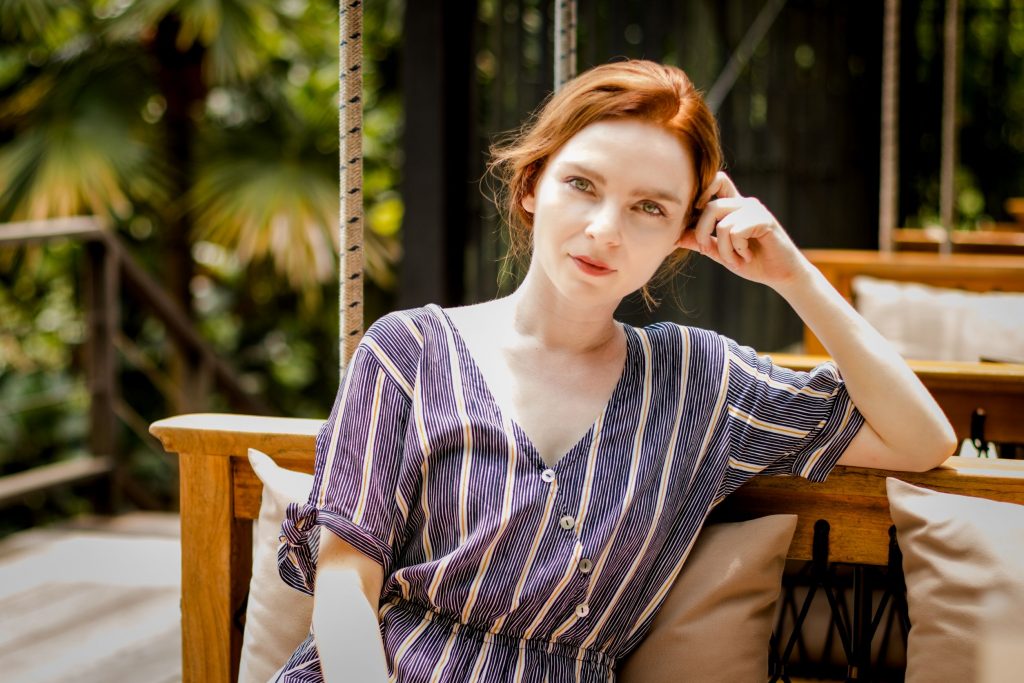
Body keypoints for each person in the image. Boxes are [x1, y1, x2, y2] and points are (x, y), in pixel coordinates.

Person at [274, 60, 956, 682]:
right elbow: (343, 585)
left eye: (649, 208)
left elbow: (922, 438)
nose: (606, 228)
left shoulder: (700, 382)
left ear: (686, 232)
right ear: (533, 183)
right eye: (582, 184)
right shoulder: (408, 351)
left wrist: (793, 274)